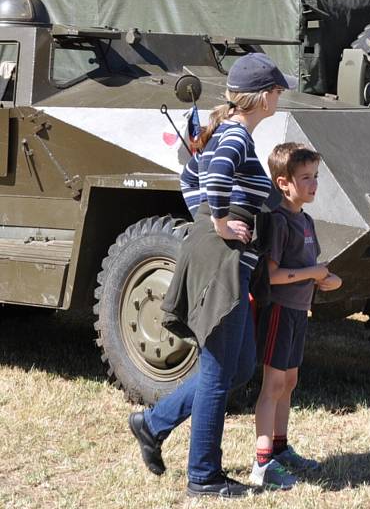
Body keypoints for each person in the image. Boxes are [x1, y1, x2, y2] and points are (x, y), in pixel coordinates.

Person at [128, 53, 295, 499]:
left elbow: (191, 177)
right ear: (262, 97)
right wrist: (219, 223)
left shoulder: (229, 131)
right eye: (277, 89)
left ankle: (153, 423)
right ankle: (204, 477)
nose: (280, 95)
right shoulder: (236, 134)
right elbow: (216, 176)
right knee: (221, 372)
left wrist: (210, 219)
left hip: (226, 257)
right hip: (221, 259)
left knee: (237, 365)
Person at [249, 142, 342, 490]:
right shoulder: (279, 222)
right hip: (279, 312)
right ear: (282, 183)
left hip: (298, 311)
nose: (313, 184)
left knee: (289, 383)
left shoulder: (306, 221)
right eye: (305, 177)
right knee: (272, 385)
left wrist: (325, 278)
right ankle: (262, 464)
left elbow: (308, 267)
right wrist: (315, 274)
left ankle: (280, 448)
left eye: (315, 176)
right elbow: (272, 275)